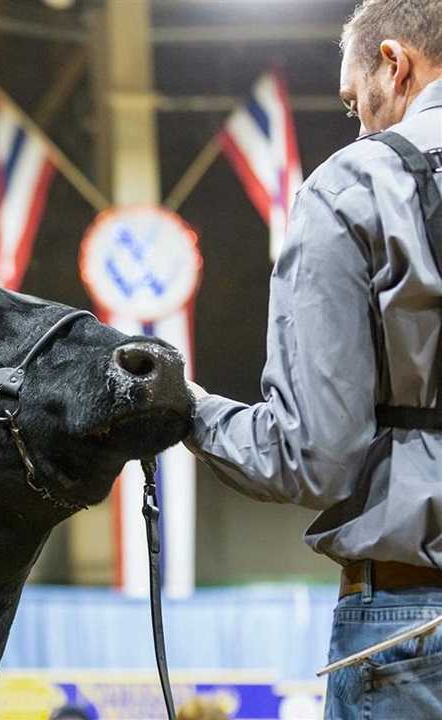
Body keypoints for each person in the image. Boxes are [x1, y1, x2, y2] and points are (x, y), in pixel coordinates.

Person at [184, 0, 442, 718]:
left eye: (357, 103)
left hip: (413, 614)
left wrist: (192, 411)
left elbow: (313, 454)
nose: (360, 126)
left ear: (395, 64)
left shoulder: (354, 185)